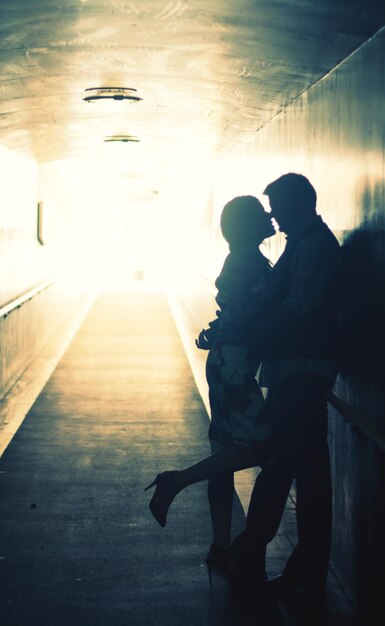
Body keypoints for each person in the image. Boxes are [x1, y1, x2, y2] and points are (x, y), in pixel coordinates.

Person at [145, 195, 276, 579]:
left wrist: (216, 329)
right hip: (234, 366)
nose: (270, 218)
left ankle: (220, 546)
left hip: (226, 362)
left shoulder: (244, 261)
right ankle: (176, 481)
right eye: (260, 214)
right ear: (248, 226)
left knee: (223, 455)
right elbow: (245, 316)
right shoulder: (244, 265)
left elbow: (234, 312)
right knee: (261, 446)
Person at [230, 173, 341, 598]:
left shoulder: (313, 246)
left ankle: (297, 572)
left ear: (298, 202)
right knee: (290, 468)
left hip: (302, 373)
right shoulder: (301, 244)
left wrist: (253, 335)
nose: (272, 213)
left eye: (276, 204)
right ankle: (269, 559)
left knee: (299, 473)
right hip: (292, 372)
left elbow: (300, 307)